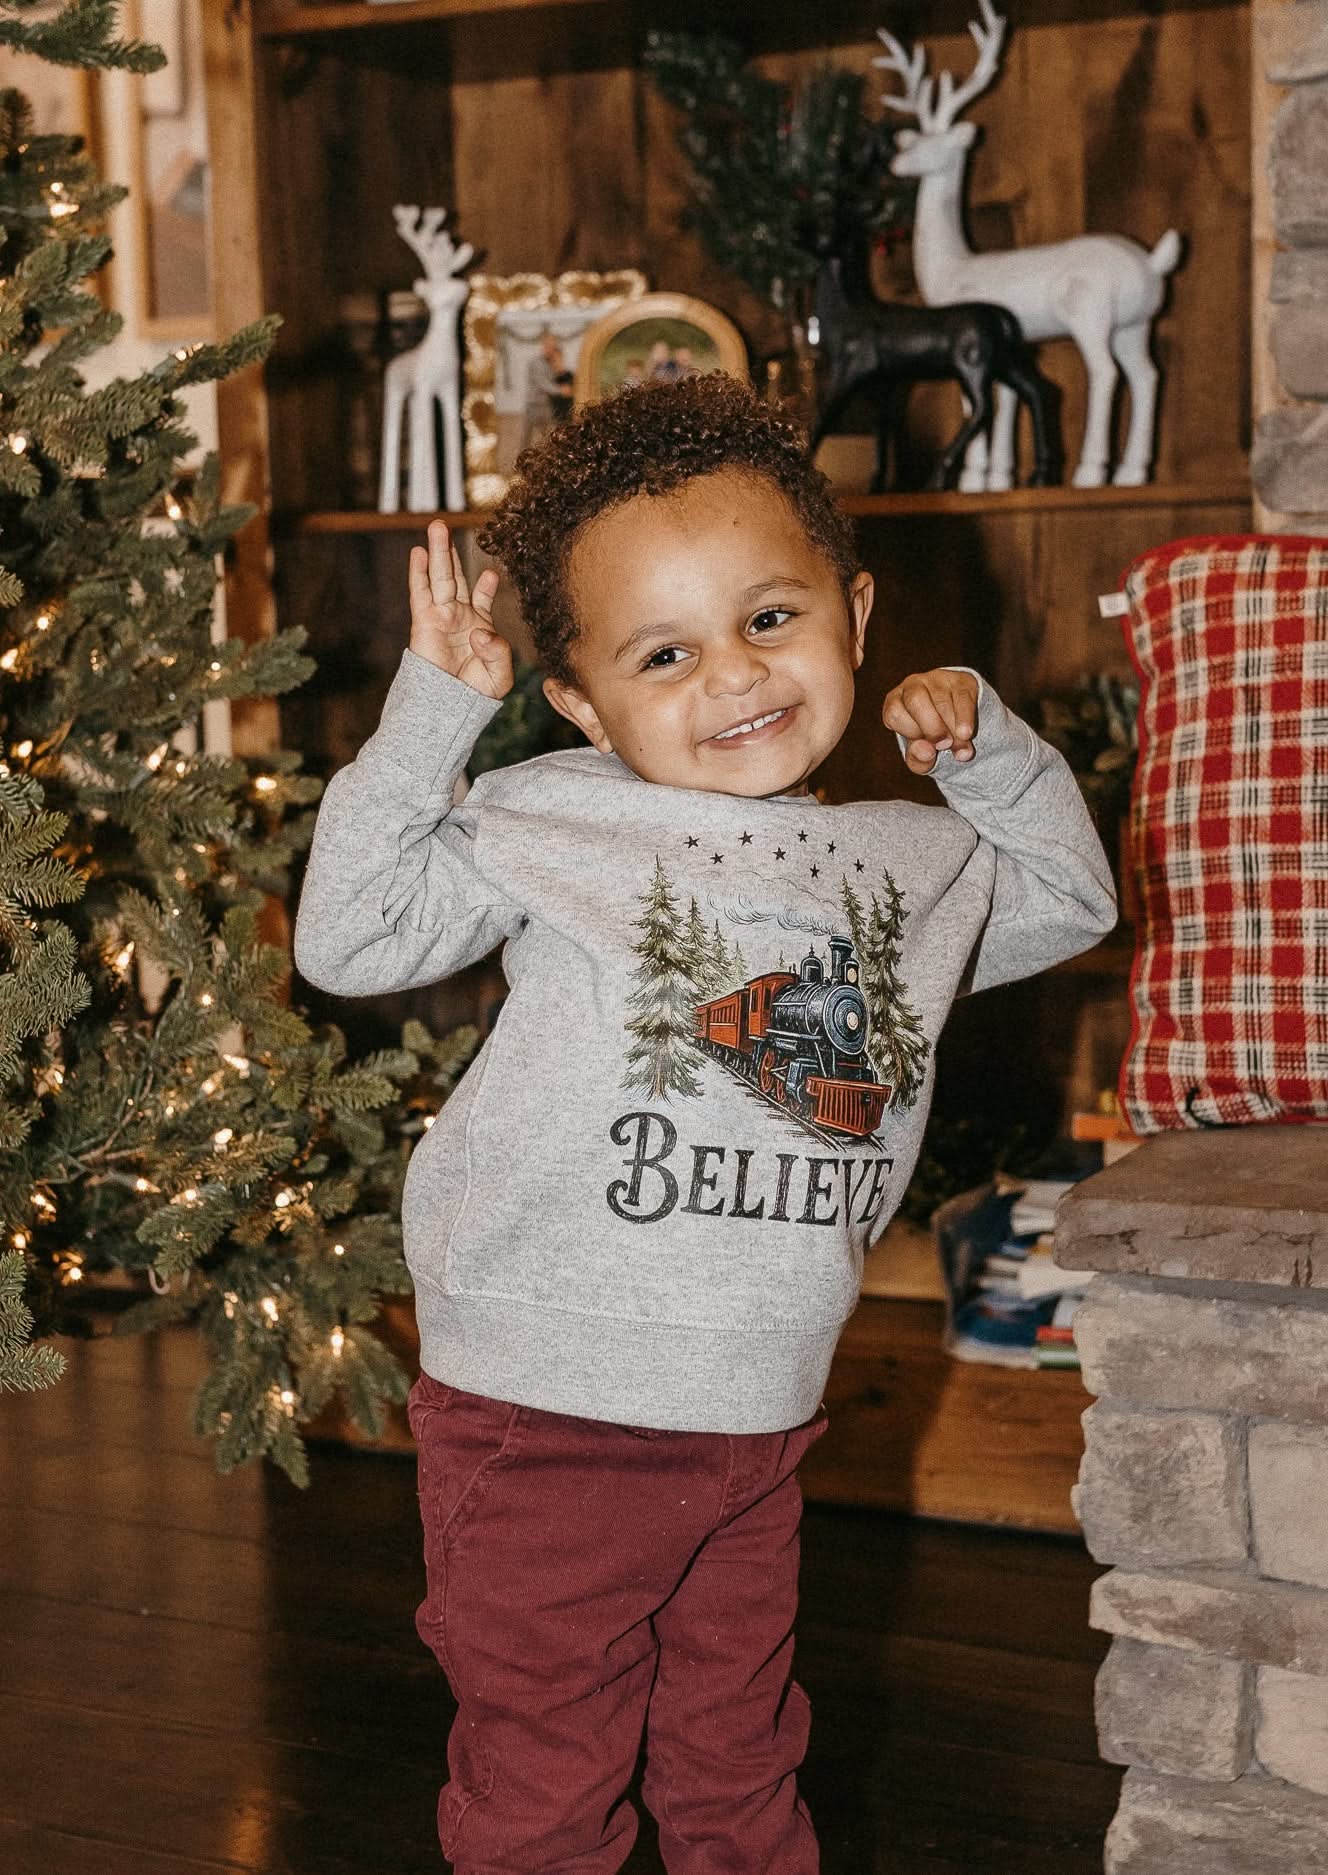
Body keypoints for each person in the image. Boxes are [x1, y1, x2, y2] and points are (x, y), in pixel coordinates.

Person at [293, 372, 1115, 1874]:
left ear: (854, 614)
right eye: (661, 653)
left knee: (741, 1758)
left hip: (755, 1407)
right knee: (546, 1783)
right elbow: (349, 941)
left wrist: (989, 749)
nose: (731, 675)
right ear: (581, 702)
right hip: (545, 1409)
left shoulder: (910, 866)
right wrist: (434, 716)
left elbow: (1070, 898)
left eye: (770, 619)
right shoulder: (548, 813)